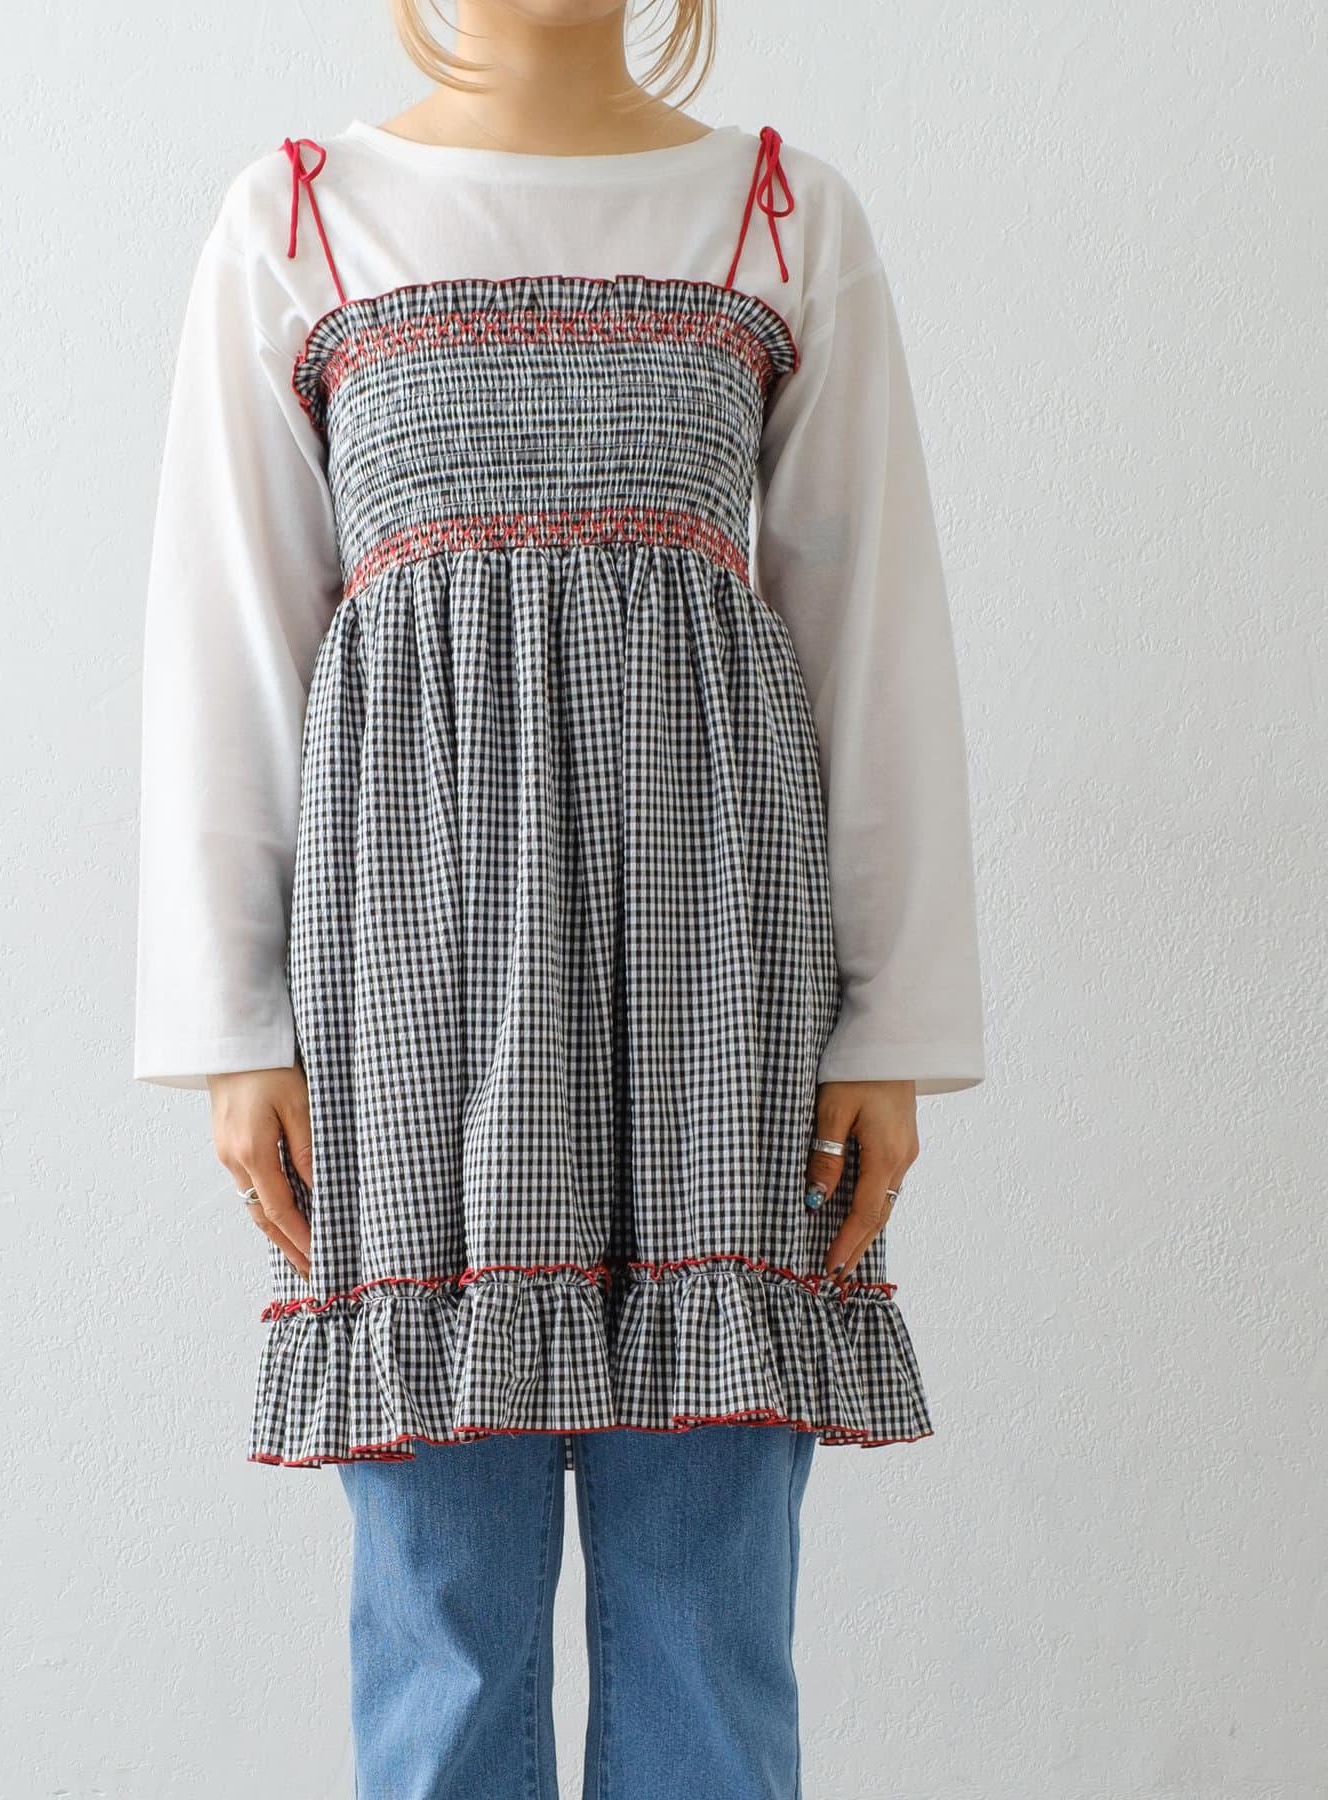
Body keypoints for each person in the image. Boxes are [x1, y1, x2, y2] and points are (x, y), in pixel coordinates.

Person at [133, 2, 985, 1792]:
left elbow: (870, 633)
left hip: (718, 986)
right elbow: (231, 638)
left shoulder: (779, 214)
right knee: (442, 1622)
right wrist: (233, 1022)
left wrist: (890, 1025)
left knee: (709, 1614)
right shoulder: (301, 218)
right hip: (412, 990)